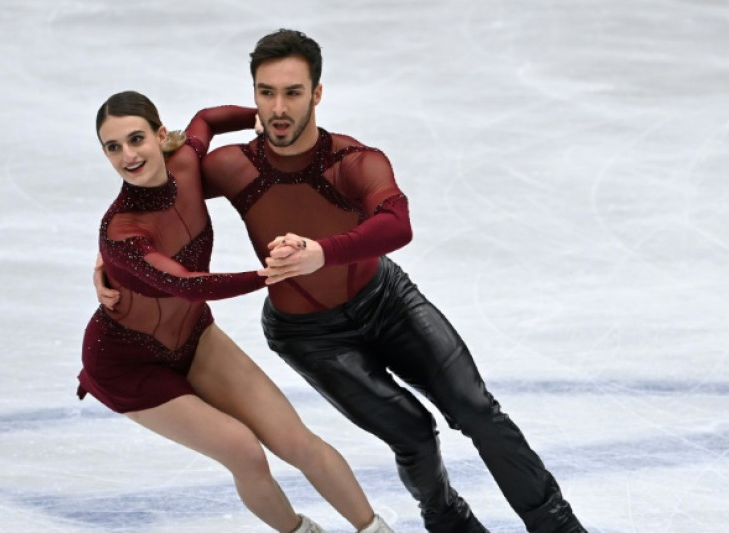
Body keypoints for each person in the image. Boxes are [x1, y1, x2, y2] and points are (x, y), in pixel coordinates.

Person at [98, 30, 587, 531]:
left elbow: (397, 223)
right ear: (254, 98)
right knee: (413, 433)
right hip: (310, 336)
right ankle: (450, 524)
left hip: (389, 302)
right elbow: (154, 201)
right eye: (267, 94)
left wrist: (321, 254)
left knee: (477, 410)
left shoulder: (353, 160)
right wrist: (108, 268)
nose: (279, 107)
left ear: (317, 94)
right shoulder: (229, 166)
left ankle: (558, 526)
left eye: (292, 92)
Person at [79, 90, 393, 533]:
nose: (128, 155)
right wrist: (272, 273)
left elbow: (207, 117)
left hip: (194, 339)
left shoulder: (186, 162)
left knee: (295, 440)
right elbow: (186, 285)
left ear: (160, 135)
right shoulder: (122, 231)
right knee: (243, 450)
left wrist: (259, 119)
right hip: (127, 364)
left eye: (136, 139)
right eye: (113, 147)